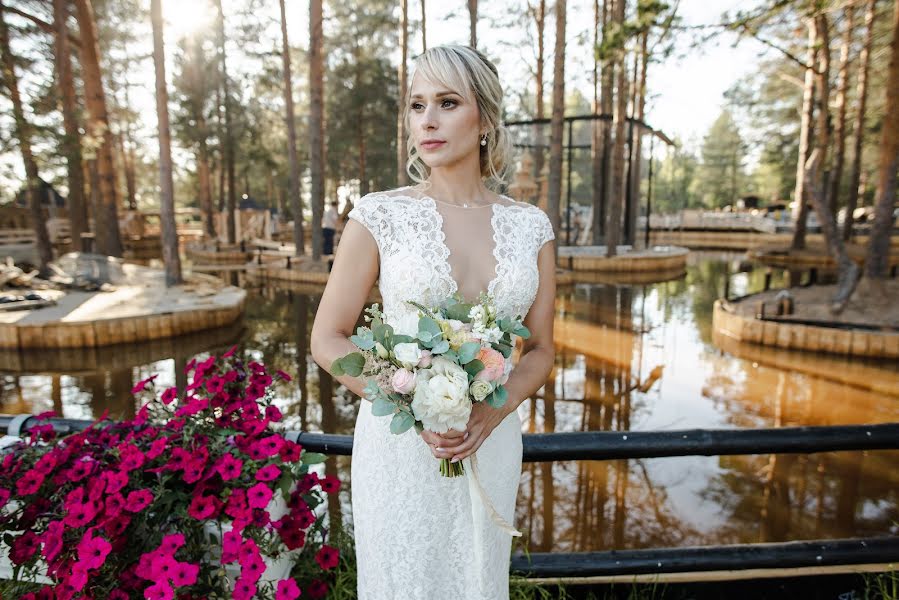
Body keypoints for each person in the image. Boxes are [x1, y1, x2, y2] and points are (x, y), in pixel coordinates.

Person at [310, 45, 556, 600]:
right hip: (400, 446)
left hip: (489, 437)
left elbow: (540, 349)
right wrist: (407, 404)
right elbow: (327, 338)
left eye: (447, 102)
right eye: (416, 105)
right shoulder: (380, 215)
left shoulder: (531, 227)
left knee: (478, 577)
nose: (427, 119)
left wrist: (497, 407)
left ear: (486, 119)